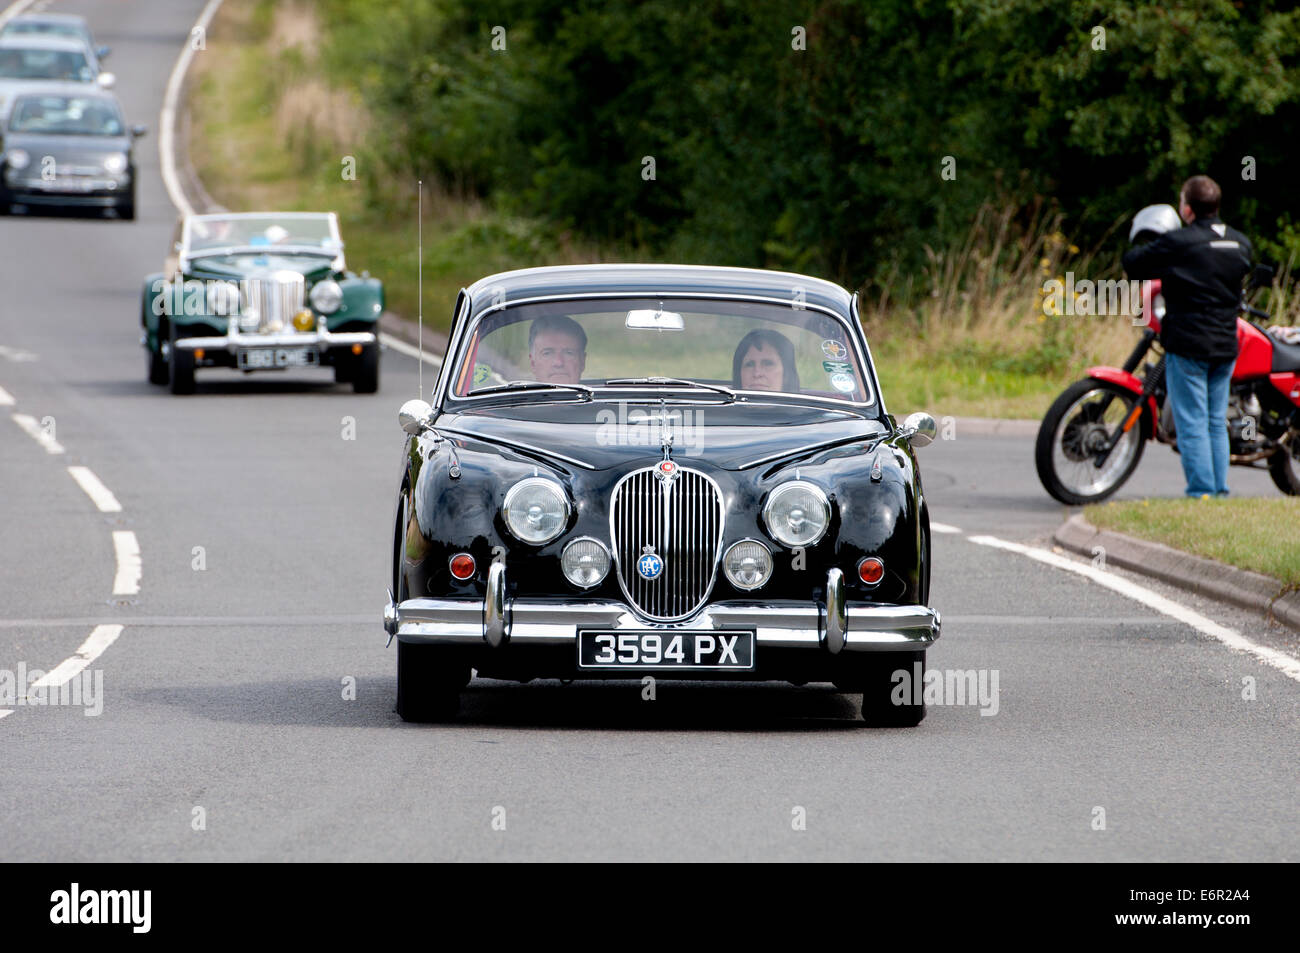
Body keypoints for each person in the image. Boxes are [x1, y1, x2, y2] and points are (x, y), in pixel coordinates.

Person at [1121, 175, 1252, 498]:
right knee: (1213, 419)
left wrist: (1154, 240)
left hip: (1188, 344)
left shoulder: (1179, 242)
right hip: (1225, 345)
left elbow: (1133, 264)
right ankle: (1218, 491)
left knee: (1192, 420)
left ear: (1188, 209)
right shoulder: (1240, 242)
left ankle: (1201, 492)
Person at [732, 329, 800, 393]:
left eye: (768, 364)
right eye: (749, 365)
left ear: (786, 375)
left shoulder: (806, 405)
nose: (757, 374)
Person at [528, 314, 587, 385]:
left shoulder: (601, 395)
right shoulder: (514, 395)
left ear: (582, 362)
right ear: (533, 364)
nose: (558, 363)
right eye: (547, 353)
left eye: (569, 353)